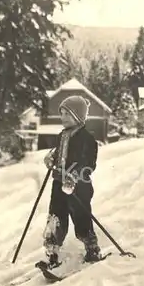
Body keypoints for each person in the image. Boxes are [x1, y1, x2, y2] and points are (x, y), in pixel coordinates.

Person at [40, 95, 102, 269]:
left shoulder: (86, 138)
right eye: (62, 114)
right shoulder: (62, 135)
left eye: (67, 114)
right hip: (59, 184)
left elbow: (89, 164)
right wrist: (51, 158)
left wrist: (75, 174)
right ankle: (52, 253)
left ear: (79, 116)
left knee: (81, 217)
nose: (63, 118)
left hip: (78, 186)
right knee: (55, 218)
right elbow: (58, 153)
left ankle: (91, 248)